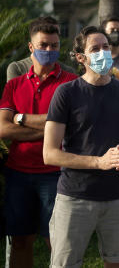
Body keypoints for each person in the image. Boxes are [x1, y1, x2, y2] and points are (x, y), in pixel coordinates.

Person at [43, 26, 119, 267]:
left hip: (118, 197)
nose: (103, 53)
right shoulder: (66, 93)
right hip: (74, 196)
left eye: (106, 47)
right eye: (95, 49)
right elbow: (50, 153)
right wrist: (99, 162)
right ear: (81, 58)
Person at [0, 17, 78, 267]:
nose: (49, 51)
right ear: (31, 47)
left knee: (56, 241)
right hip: (17, 174)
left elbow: (70, 127)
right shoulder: (13, 85)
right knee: (21, 240)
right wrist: (52, 128)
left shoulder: (69, 83)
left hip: (55, 174)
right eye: (43, 45)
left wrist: (20, 120)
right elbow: (2, 128)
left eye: (54, 45)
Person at [6, 16, 76, 79]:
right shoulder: (18, 69)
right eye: (43, 45)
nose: (49, 49)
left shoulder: (68, 72)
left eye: (57, 33)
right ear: (31, 47)